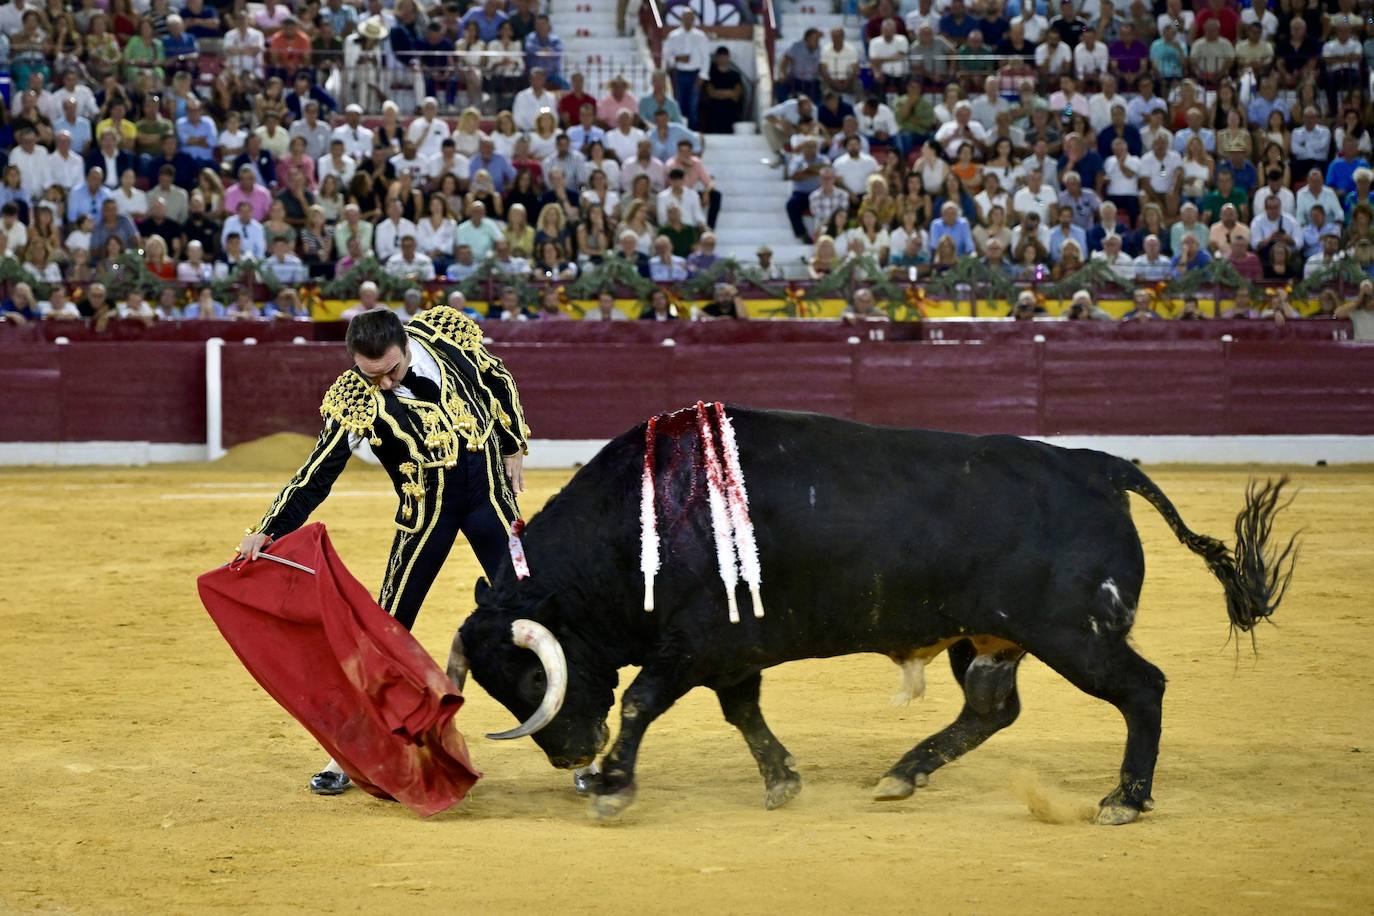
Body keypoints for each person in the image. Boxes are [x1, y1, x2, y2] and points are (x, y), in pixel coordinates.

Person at [235, 306, 530, 795]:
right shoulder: (357, 397)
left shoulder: (444, 338)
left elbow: (498, 375)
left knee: (537, 603)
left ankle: (580, 745)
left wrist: (513, 441)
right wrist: (267, 529)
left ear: (406, 345)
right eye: (371, 375)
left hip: (490, 499)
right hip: (426, 513)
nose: (386, 385)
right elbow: (317, 474)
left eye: (392, 370)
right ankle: (344, 753)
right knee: (384, 630)